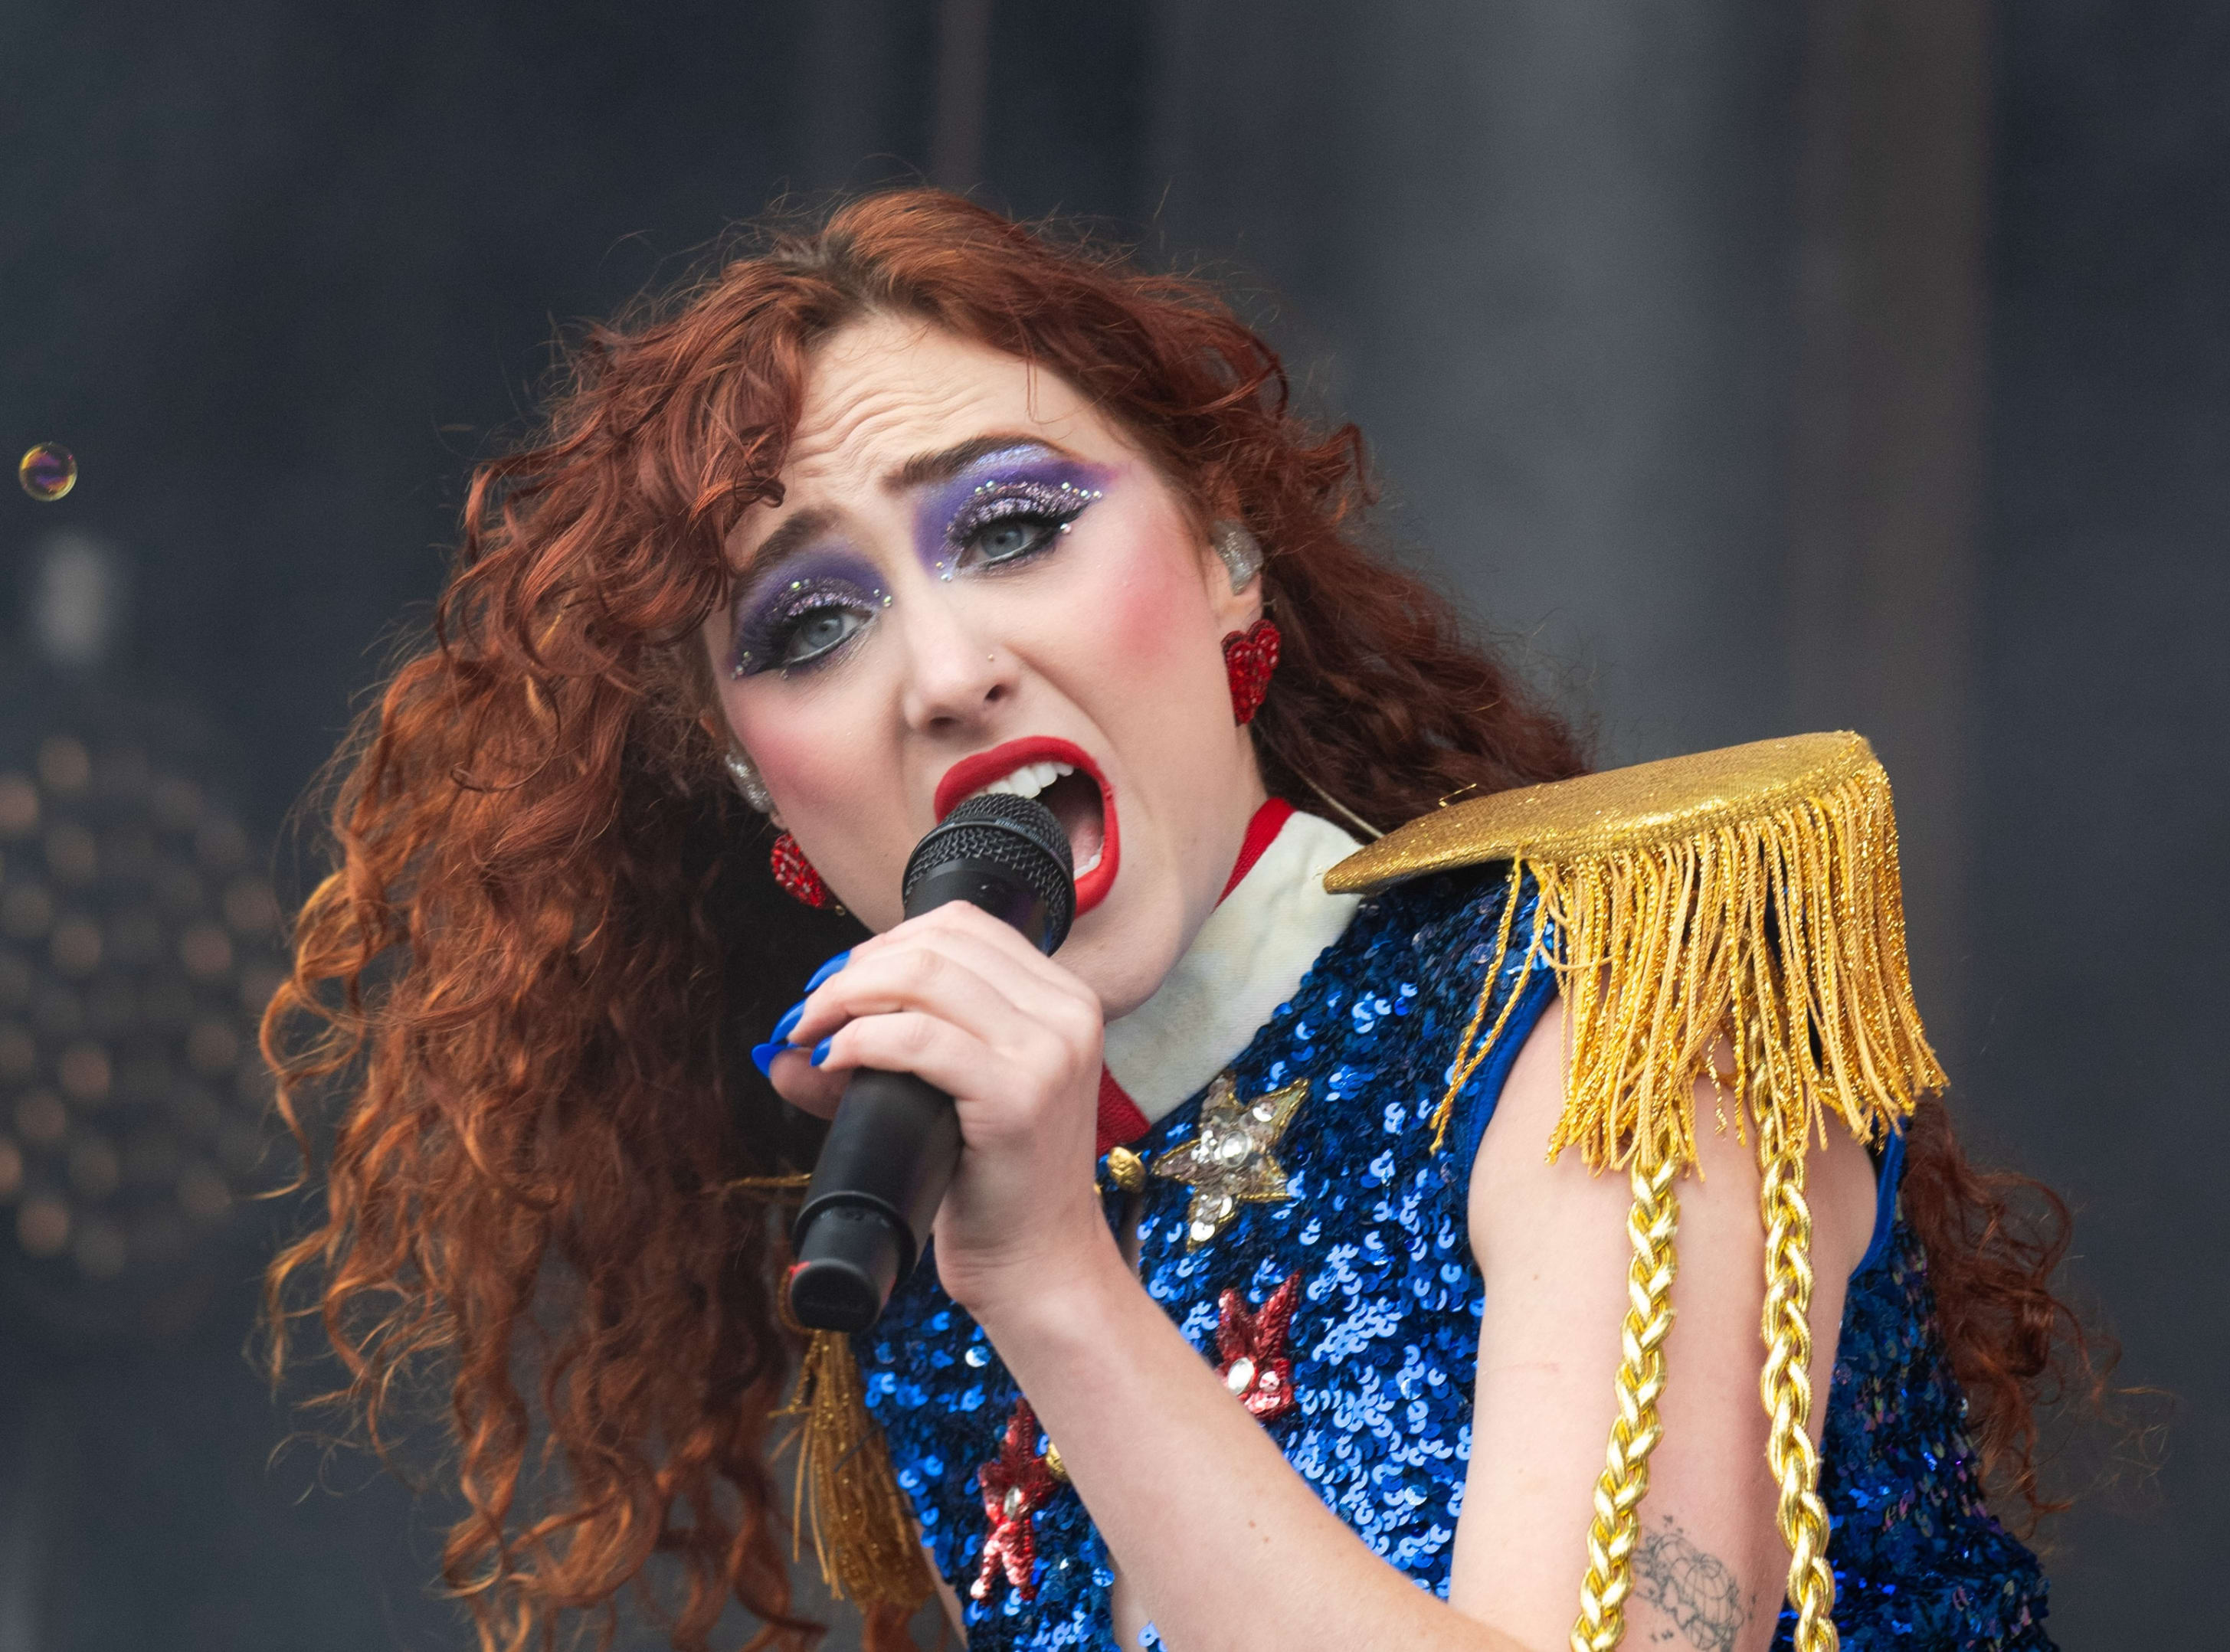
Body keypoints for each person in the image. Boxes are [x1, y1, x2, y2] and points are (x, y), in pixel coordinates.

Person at [266, 190, 2099, 1652]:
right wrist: (1031, 1258)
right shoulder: (942, 1232)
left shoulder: (1607, 1008)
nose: (949, 669)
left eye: (1012, 525)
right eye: (811, 629)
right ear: (769, 798)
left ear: (1226, 550)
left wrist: (1062, 1286)